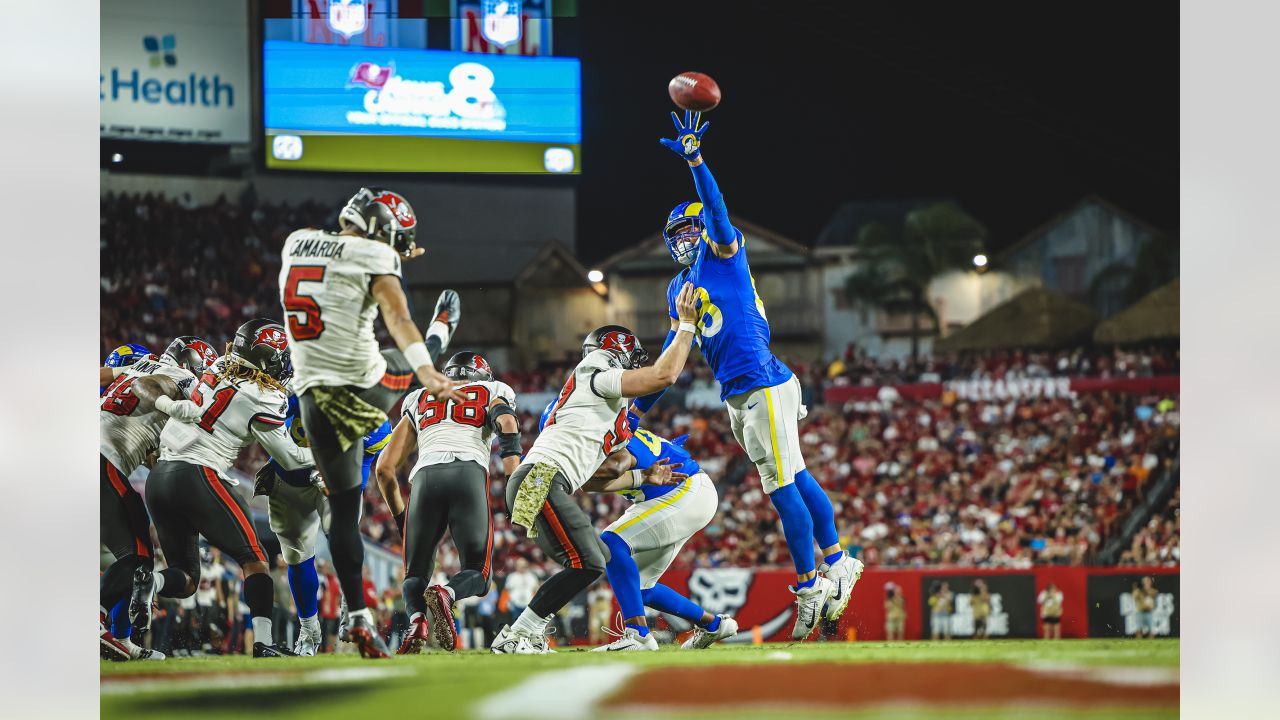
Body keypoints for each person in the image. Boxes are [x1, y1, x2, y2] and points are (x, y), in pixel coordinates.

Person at [635, 110, 863, 640]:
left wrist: (695, 159)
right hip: (737, 393)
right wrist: (636, 408)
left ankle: (812, 582)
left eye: (689, 226)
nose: (684, 236)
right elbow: (674, 352)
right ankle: (838, 562)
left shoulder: (722, 254)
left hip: (764, 379)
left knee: (784, 486)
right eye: (677, 231)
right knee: (792, 476)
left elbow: (716, 207)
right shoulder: (677, 288)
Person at [278, 186, 462, 658]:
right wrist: (427, 374)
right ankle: (444, 326)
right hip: (361, 382)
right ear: (383, 230)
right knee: (420, 352)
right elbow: (397, 316)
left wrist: (391, 249)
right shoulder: (374, 253)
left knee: (342, 510)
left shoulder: (296, 240)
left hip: (310, 395)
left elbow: (341, 266)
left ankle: (358, 615)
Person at [492, 289, 701, 654]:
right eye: (630, 358)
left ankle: (524, 631)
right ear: (616, 353)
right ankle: (517, 635)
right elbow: (662, 377)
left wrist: (643, 477)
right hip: (540, 478)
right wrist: (685, 325)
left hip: (544, 481)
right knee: (589, 561)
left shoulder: (608, 413)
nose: (633, 365)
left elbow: (593, 477)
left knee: (591, 561)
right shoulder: (596, 369)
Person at [141, 319, 313, 657]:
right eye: (279, 357)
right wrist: (328, 455)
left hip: (159, 476)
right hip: (199, 474)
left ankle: (152, 583)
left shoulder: (218, 365)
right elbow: (291, 459)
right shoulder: (264, 395)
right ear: (265, 359)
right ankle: (263, 644)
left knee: (187, 580)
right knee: (255, 560)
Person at [537, 397, 731, 651]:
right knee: (638, 588)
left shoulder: (604, 437)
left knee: (612, 543)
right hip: (681, 494)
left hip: (683, 490)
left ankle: (638, 635)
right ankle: (714, 625)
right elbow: (606, 482)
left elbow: (619, 463)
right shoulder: (608, 429)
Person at [374, 352, 522, 654]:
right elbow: (506, 421)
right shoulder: (493, 391)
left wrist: (403, 519)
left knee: (415, 573)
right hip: (467, 472)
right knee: (479, 574)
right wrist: (513, 482)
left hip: (424, 480)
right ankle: (446, 592)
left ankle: (416, 622)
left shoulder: (419, 398)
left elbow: (384, 469)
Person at [99, 336, 218, 661]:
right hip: (102, 460)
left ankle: (120, 638)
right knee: (137, 559)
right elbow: (155, 389)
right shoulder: (184, 379)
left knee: (136, 557)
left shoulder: (135, 365)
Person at [254, 393, 393, 656]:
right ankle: (309, 630)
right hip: (290, 481)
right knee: (297, 555)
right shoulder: (300, 392)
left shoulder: (374, 424)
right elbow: (274, 435)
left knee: (343, 533)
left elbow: (359, 473)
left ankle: (351, 607)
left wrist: (334, 475)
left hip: (335, 483)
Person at [502, 558, 540, 622]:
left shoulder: (532, 576)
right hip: (515, 603)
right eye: (520, 566)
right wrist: (507, 602)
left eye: (524, 566)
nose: (522, 568)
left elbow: (536, 589)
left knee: (528, 623)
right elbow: (506, 589)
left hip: (528, 604)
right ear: (516, 566)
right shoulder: (512, 576)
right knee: (516, 623)